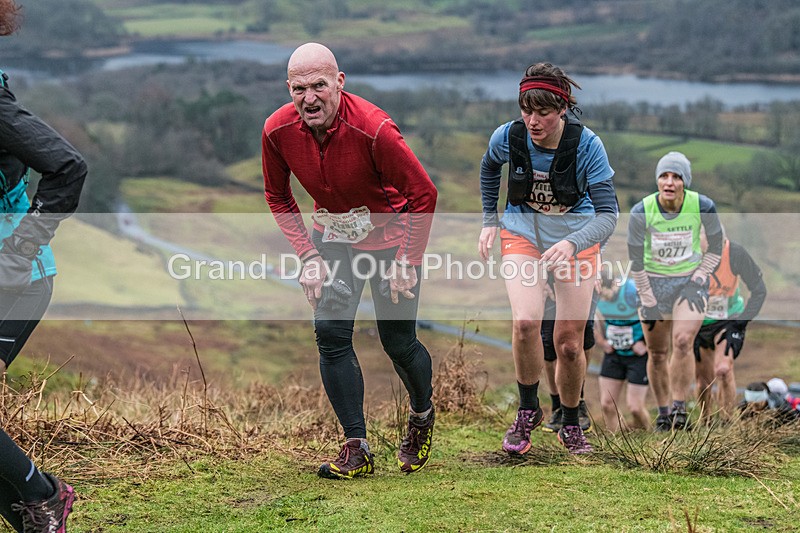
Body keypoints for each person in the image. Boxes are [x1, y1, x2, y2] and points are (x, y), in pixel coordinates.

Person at [262, 43, 438, 478]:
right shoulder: (276, 130)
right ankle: (355, 447)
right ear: (289, 88)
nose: (309, 98)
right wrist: (307, 256)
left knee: (397, 342)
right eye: (299, 88)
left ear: (339, 83)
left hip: (390, 241)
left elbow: (424, 195)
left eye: (319, 85)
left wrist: (407, 260)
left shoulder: (375, 129)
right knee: (330, 333)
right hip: (334, 240)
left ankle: (420, 416)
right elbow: (277, 195)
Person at [478, 62, 618, 454]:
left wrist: (573, 244)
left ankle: (571, 422)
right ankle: (527, 411)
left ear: (562, 109)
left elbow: (609, 215)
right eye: (527, 109)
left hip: (578, 240)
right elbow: (490, 167)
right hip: (523, 234)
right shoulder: (509, 136)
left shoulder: (587, 145)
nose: (533, 120)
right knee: (525, 323)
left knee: (569, 343)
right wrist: (490, 220)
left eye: (543, 112)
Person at [0, 2, 88, 530]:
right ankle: (36, 518)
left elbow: (68, 167)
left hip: (18, 280)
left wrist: (17, 254)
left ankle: (46, 495)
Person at [627, 151, 723, 431]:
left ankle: (681, 409)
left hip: (689, 283)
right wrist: (646, 293)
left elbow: (715, 248)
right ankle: (664, 413)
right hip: (652, 283)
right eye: (664, 176)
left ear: (685, 182)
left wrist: (702, 274)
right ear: (657, 180)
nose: (669, 182)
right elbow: (635, 258)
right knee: (657, 353)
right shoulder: (641, 211)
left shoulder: (703, 206)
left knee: (682, 341)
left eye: (676, 176)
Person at [694, 231, 766, 422]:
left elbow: (759, 290)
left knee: (723, 370)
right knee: (703, 382)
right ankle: (706, 421)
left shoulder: (735, 253)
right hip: (697, 323)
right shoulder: (688, 256)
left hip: (728, 319)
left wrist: (741, 322)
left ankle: (726, 423)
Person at [595, 275, 650, 431]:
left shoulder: (632, 290)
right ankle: (618, 442)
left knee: (635, 408)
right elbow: (589, 321)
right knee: (607, 404)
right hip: (614, 354)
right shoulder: (592, 293)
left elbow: (656, 315)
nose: (604, 298)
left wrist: (645, 342)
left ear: (614, 285)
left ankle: (647, 437)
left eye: (605, 294)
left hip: (638, 356)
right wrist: (602, 342)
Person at [540, 280, 596, 433]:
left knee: (583, 335)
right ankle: (557, 405)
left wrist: (597, 271)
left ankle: (578, 401)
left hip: (584, 270)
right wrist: (541, 280)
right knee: (548, 340)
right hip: (545, 270)